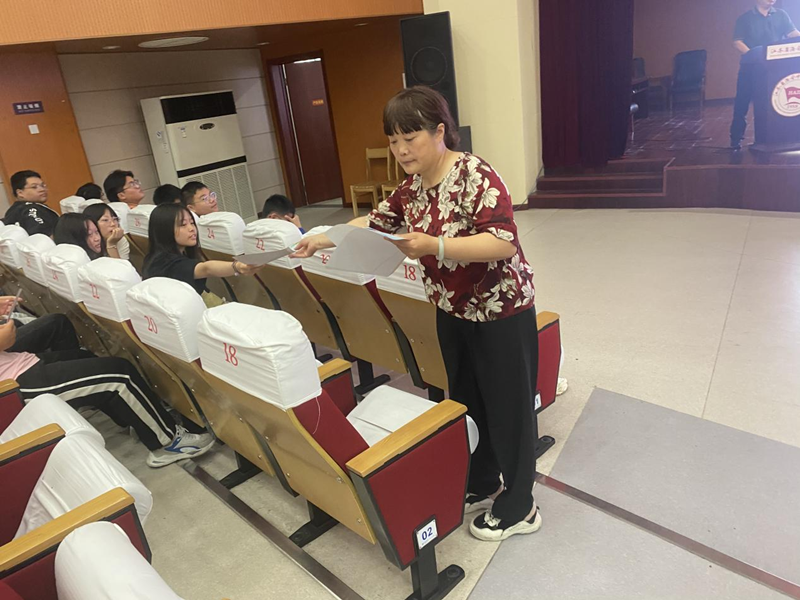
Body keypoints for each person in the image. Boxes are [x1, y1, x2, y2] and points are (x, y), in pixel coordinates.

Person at [293, 86, 540, 542]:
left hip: (500, 310)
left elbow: (502, 242)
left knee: (509, 407)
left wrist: (434, 245)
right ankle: (483, 478)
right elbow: (376, 223)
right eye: (393, 140)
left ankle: (521, 504)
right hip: (452, 310)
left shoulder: (474, 174)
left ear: (440, 131)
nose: (401, 150)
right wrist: (320, 238)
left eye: (411, 138)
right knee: (468, 399)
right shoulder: (412, 188)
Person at [0, 302, 214, 468]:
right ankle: (167, 443)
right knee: (120, 375)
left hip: (12, 362)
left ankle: (133, 418)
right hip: (11, 386)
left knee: (77, 348)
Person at [143, 203, 261, 299]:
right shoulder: (166, 263)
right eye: (183, 224)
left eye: (192, 223)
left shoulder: (156, 256)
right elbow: (206, 268)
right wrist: (237, 266)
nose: (191, 228)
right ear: (164, 230)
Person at [730, 0, 800, 149]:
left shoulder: (781, 15)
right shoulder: (745, 18)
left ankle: (781, 137)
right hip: (750, 68)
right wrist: (756, 56)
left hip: (776, 68)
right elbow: (737, 42)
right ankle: (735, 139)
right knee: (742, 102)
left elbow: (792, 34)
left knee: (773, 101)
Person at [3, 170, 59, 236]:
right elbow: (41, 236)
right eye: (34, 187)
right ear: (20, 193)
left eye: (43, 185)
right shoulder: (30, 209)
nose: (42, 189)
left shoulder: (14, 210)